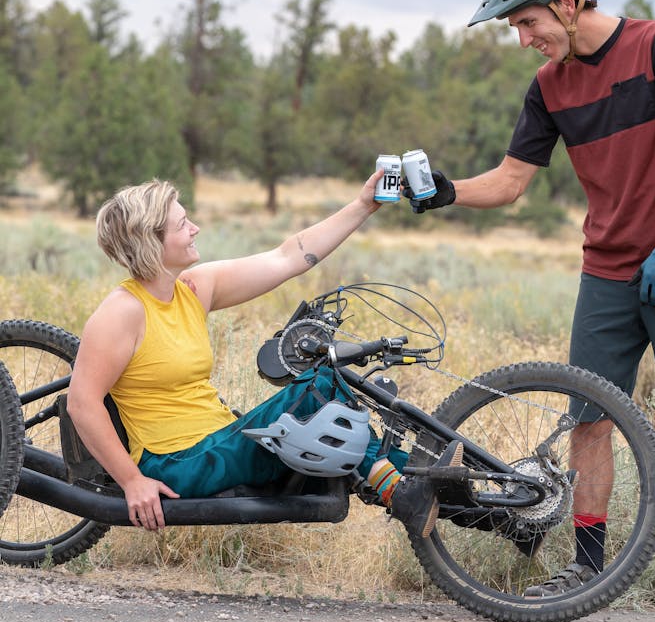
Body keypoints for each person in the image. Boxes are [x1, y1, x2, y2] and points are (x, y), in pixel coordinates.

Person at [405, 0, 655, 620]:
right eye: (516, 28)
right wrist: (442, 191)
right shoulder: (549, 87)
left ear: (568, 2)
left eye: (527, 22)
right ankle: (587, 567)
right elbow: (508, 182)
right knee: (588, 416)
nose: (523, 39)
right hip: (607, 268)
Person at [67, 175, 461, 539]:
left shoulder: (192, 288)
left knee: (355, 441)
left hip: (221, 440)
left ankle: (488, 512)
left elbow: (287, 258)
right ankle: (402, 491)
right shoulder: (122, 312)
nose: (195, 229)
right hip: (179, 461)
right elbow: (82, 403)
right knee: (319, 389)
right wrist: (132, 481)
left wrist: (364, 205)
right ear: (152, 242)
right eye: (182, 224)